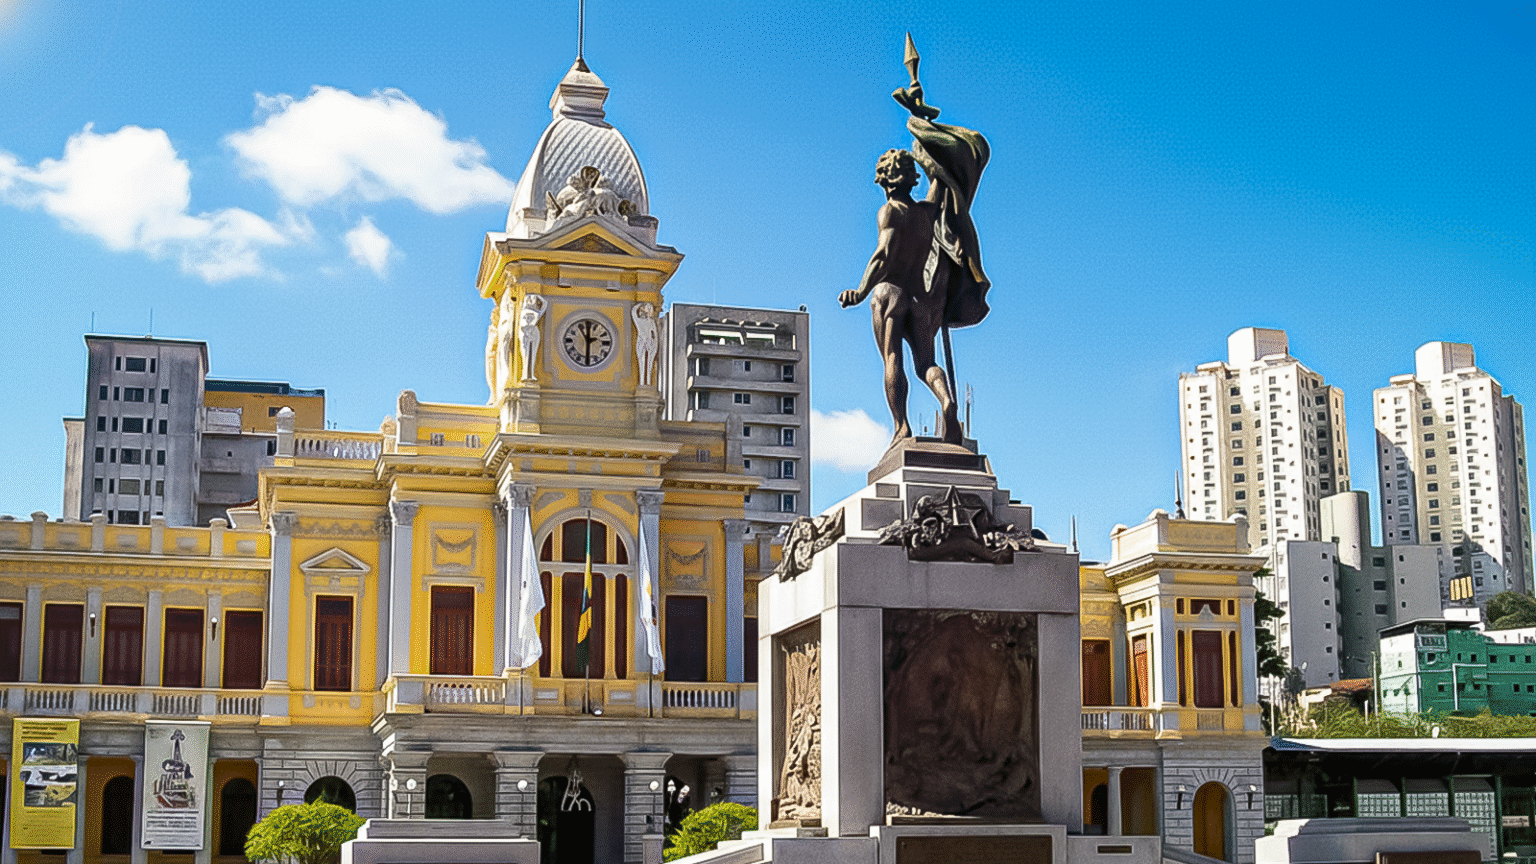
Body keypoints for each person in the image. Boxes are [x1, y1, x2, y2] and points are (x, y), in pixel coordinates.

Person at [840, 82, 990, 448]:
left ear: (884, 180)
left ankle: (902, 428)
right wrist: (924, 132)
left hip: (891, 293)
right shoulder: (927, 212)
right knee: (926, 362)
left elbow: (884, 254)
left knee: (893, 357)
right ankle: (946, 401)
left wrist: (860, 290)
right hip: (925, 299)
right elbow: (943, 177)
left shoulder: (891, 211)